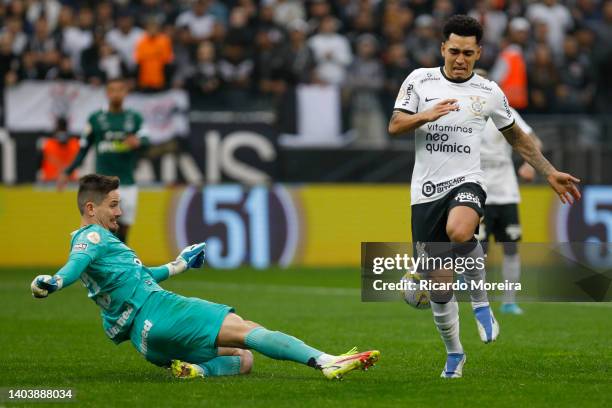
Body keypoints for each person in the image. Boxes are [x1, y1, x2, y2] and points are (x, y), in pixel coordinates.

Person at [31, 174, 380, 380]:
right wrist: (54, 282)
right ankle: (326, 361)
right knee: (246, 329)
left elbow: (139, 275)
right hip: (160, 312)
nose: (120, 212)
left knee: (244, 359)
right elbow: (72, 267)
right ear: (91, 209)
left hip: (147, 341)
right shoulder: (91, 237)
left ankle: (198, 371)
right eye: (113, 204)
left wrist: (179, 264)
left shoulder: (101, 244)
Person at [388, 15, 580, 379]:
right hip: (425, 192)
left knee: (461, 231)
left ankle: (481, 304)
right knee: (440, 287)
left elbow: (519, 137)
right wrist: (426, 115)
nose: (460, 59)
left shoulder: (489, 91)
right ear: (443, 47)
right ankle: (455, 353)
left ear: (479, 53)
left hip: (468, 181)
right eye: (455, 51)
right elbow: (395, 125)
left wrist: (548, 171)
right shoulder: (419, 80)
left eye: (468, 53)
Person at [474, 68, 542, 315]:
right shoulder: (461, 113)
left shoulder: (505, 112)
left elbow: (533, 140)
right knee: (477, 249)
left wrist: (527, 163)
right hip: (477, 191)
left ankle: (509, 300)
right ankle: (477, 300)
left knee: (511, 247)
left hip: (505, 191)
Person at [57, 78, 148, 244]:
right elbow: (83, 148)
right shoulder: (96, 119)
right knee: (105, 226)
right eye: (112, 90)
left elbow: (146, 139)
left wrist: (139, 141)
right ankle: (106, 265)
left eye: (120, 89)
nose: (116, 94)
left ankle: (119, 262)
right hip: (104, 184)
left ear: (126, 93)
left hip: (127, 182)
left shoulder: (134, 118)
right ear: (107, 93)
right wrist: (67, 171)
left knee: (124, 228)